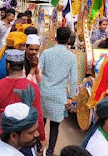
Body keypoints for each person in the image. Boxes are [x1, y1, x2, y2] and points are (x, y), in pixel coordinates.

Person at [39, 27, 77, 156]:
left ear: (55, 39)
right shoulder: (71, 57)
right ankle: (50, 152)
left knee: (41, 123)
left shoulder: (46, 53)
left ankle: (39, 148)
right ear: (68, 40)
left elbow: (38, 71)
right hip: (59, 95)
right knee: (55, 127)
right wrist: (70, 97)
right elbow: (73, 80)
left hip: (44, 92)